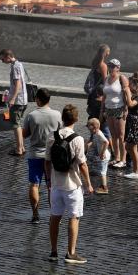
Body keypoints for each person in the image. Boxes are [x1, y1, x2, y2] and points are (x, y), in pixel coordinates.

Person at [45, 104, 93, 265]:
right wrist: (89, 184)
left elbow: (47, 162)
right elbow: (82, 165)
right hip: (72, 185)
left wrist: (48, 182)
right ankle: (71, 253)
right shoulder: (78, 139)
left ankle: (53, 251)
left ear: (62, 119)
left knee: (54, 217)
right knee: (74, 217)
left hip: (56, 185)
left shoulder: (52, 136)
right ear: (76, 119)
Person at [23, 88, 60, 222]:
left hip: (35, 155)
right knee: (51, 186)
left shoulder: (31, 115)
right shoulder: (57, 115)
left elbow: (25, 134)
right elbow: (60, 134)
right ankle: (53, 215)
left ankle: (35, 214)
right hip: (51, 155)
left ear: (38, 99)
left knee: (34, 185)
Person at [101, 58, 130, 169]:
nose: (111, 68)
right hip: (109, 109)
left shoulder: (122, 78)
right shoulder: (107, 78)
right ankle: (117, 158)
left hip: (119, 108)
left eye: (113, 66)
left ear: (118, 68)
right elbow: (104, 96)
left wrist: (126, 109)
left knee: (121, 135)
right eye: (110, 66)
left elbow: (127, 94)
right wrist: (101, 110)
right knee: (113, 135)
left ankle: (123, 159)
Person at [0, 48, 28, 156]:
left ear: (8, 57)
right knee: (18, 124)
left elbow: (18, 85)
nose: (2, 61)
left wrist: (12, 99)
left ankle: (19, 149)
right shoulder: (19, 64)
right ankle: (22, 147)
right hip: (23, 100)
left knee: (16, 125)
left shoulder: (15, 66)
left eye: (3, 59)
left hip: (18, 101)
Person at [123, 74, 138, 179]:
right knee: (130, 146)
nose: (129, 86)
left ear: (136, 85)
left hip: (135, 123)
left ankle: (135, 171)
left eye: (131, 84)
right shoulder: (136, 95)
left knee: (131, 146)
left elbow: (131, 104)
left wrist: (127, 92)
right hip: (132, 122)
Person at [85, 44, 109, 138]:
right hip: (99, 93)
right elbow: (105, 81)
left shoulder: (95, 62)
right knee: (100, 118)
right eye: (108, 51)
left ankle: (93, 137)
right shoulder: (103, 65)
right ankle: (100, 139)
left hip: (93, 93)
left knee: (93, 114)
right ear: (105, 53)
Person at [85, 118, 110, 194]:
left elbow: (106, 142)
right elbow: (91, 141)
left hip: (104, 156)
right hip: (101, 154)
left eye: (90, 128)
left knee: (103, 172)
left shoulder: (99, 133)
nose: (89, 130)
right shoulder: (94, 133)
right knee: (102, 171)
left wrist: (102, 153)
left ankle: (104, 188)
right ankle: (103, 185)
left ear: (94, 127)